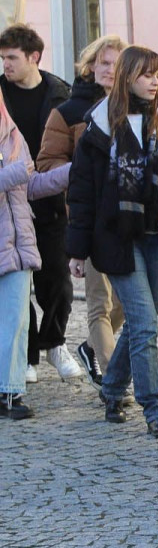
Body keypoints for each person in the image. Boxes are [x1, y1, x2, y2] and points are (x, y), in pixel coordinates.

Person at [65, 46, 158, 438]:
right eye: (147, 74)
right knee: (145, 322)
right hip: (115, 237)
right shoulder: (99, 127)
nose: (154, 81)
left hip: (157, 233)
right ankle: (155, 408)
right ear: (128, 76)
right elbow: (82, 193)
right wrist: (77, 251)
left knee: (137, 323)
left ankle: (112, 389)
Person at [38, 34, 128, 391]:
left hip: (135, 219)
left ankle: (92, 348)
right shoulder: (69, 111)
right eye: (104, 63)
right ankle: (112, 382)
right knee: (100, 302)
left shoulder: (144, 102)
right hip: (90, 218)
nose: (110, 70)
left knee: (132, 303)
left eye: (117, 63)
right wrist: (85, 171)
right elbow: (46, 164)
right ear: (91, 67)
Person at [0, 24, 78, 384]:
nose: (6, 65)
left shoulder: (60, 92)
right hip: (11, 201)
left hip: (48, 199)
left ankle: (55, 343)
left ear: (34, 57)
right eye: (2, 58)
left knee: (58, 282)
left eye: (12, 58)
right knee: (18, 287)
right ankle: (29, 354)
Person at [0, 95, 70, 419]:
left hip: (18, 245)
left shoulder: (12, 136)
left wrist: (72, 171)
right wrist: (15, 172)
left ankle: (10, 392)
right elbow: (18, 175)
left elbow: (31, 185)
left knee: (16, 321)